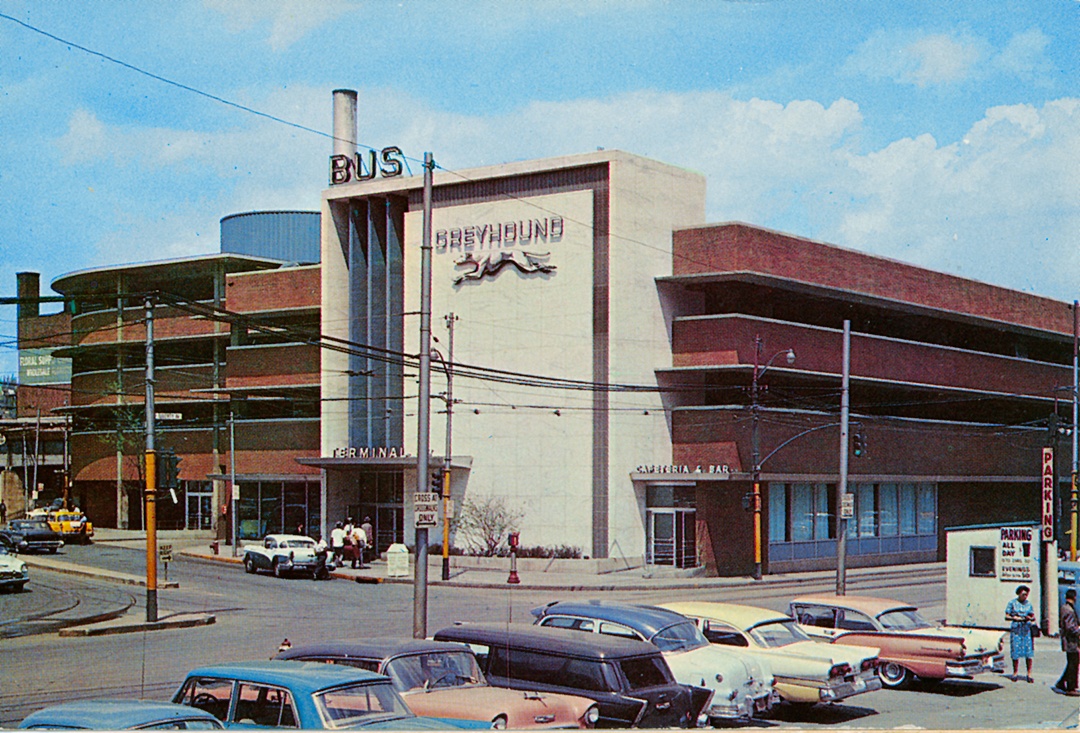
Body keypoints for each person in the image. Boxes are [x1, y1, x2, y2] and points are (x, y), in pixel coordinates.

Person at [1005, 584, 1036, 682]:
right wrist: (1014, 618)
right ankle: (1015, 672)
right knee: (1015, 651)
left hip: (1026, 629)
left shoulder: (1029, 604)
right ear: (1019, 594)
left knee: (1028, 652)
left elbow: (1033, 616)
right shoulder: (1012, 603)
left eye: (1026, 595)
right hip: (1016, 629)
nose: (1025, 596)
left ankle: (1029, 673)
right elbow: (1006, 616)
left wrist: (1029, 618)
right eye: (1023, 594)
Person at [1053, 588, 1080, 696]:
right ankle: (1070, 687)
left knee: (1072, 663)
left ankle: (1061, 682)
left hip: (1070, 640)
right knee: (1073, 663)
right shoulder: (1068, 610)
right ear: (1074, 597)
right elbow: (1070, 627)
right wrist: (1078, 631)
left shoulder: (1065, 608)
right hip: (1071, 641)